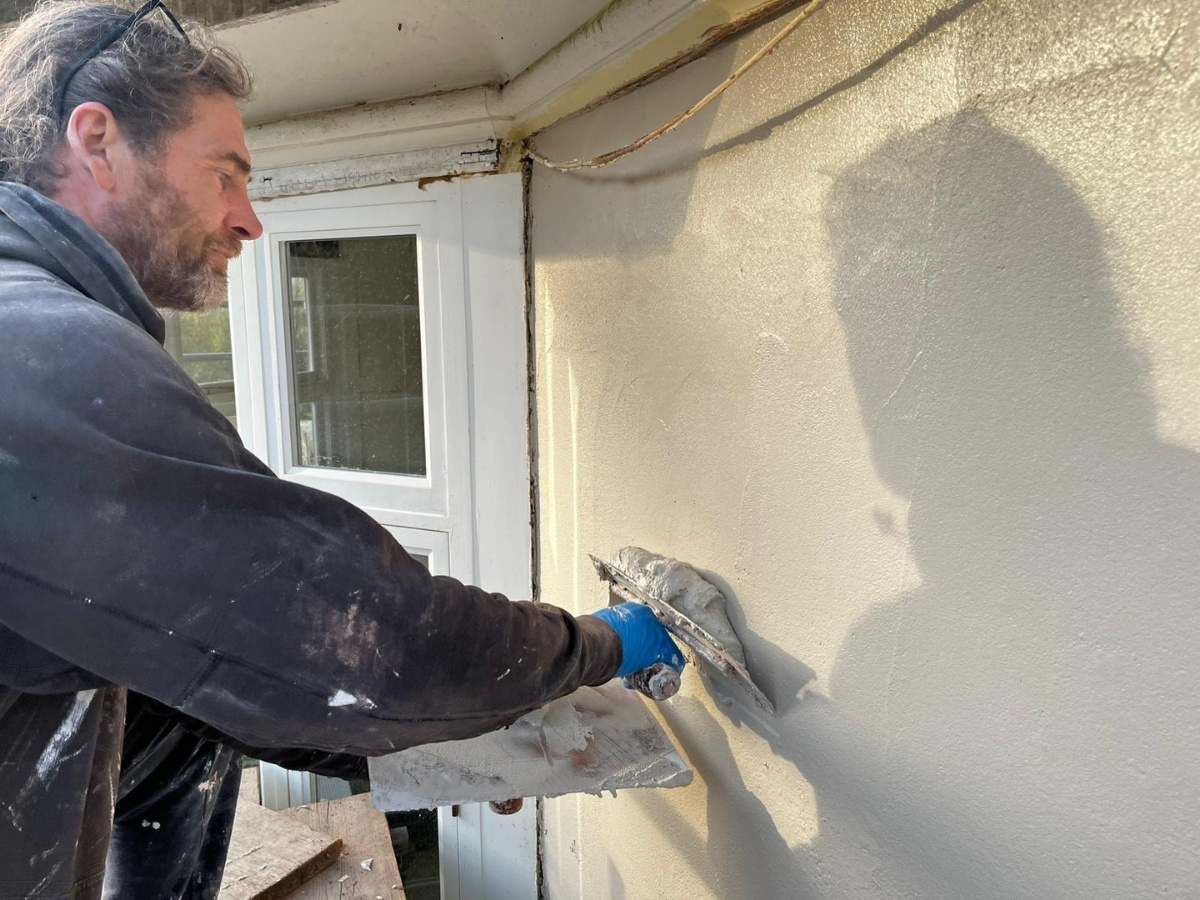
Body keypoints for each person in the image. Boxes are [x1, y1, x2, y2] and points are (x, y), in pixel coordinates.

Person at [0, 2, 685, 896]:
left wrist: (453, 734)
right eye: (225, 175)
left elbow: (220, 670)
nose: (249, 221)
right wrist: (599, 643)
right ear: (97, 140)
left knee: (179, 724)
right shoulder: (40, 355)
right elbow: (368, 635)